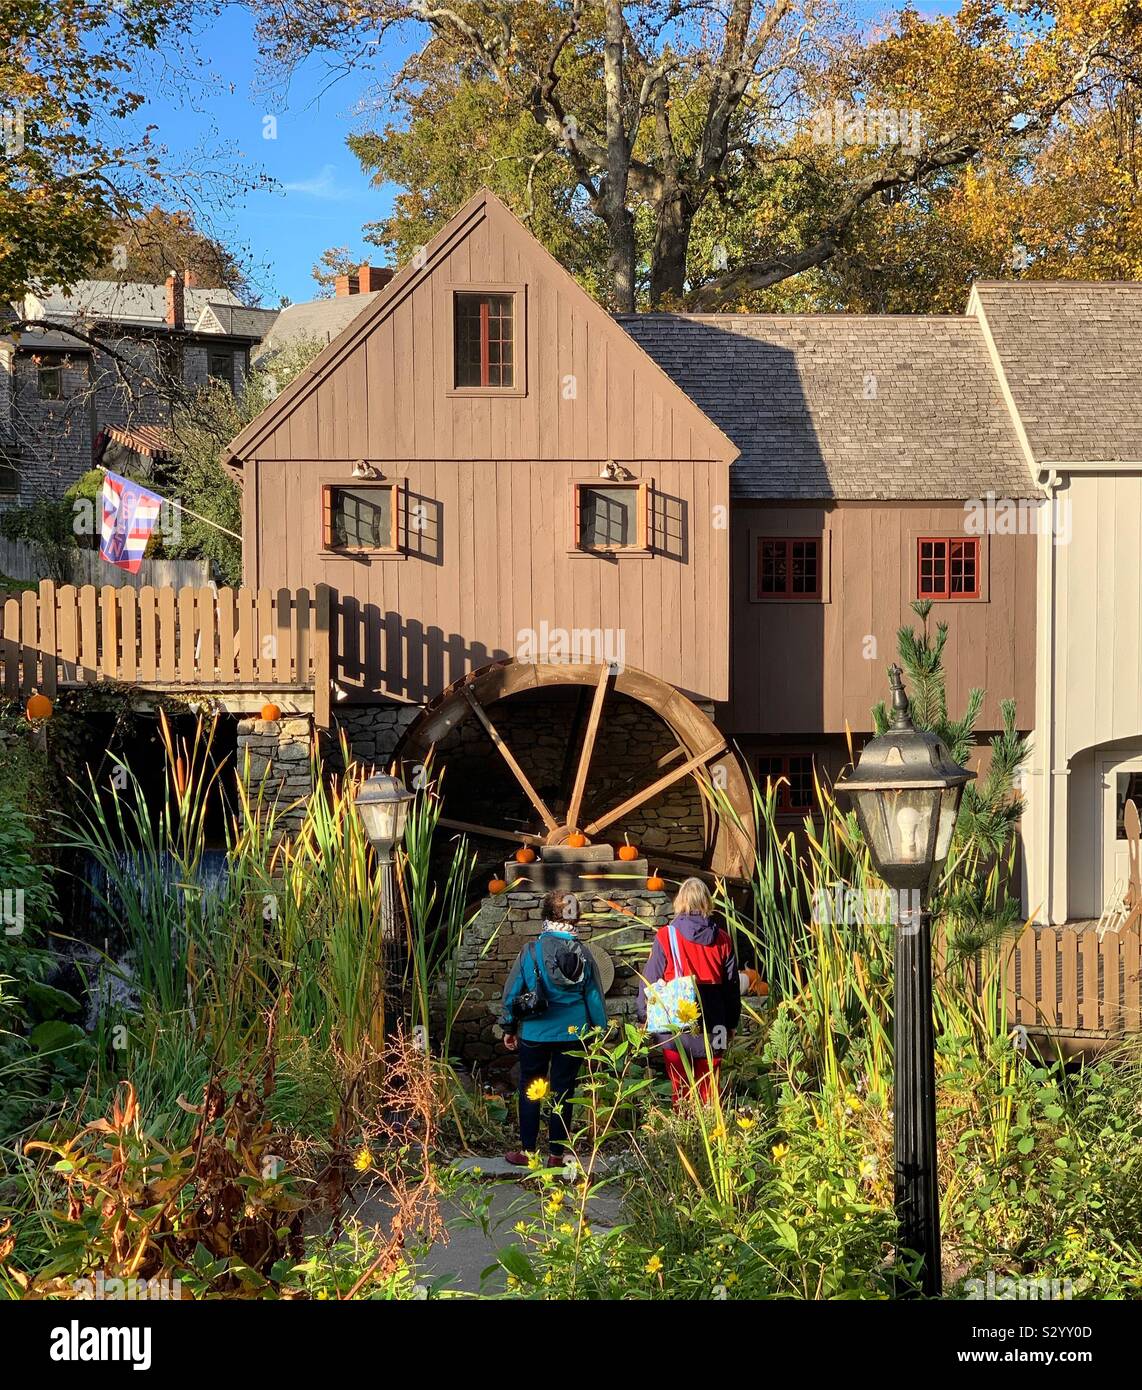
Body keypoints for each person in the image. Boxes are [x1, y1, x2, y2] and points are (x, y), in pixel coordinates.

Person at [500, 889, 607, 1167]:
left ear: (546, 915)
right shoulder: (584, 952)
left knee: (531, 1087)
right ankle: (557, 1156)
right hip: (574, 1034)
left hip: (535, 1033)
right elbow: (594, 996)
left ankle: (528, 1152)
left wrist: (509, 1026)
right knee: (564, 1091)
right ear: (576, 918)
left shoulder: (531, 951)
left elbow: (512, 994)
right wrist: (600, 1031)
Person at [638, 877, 739, 1105]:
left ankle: (682, 1135)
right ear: (707, 902)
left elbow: (650, 980)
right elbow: (731, 987)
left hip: (676, 1024)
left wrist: (643, 1015)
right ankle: (712, 1135)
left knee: (680, 1088)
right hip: (716, 1023)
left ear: (680, 901)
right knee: (710, 1089)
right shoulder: (723, 939)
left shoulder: (667, 935)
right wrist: (732, 1024)